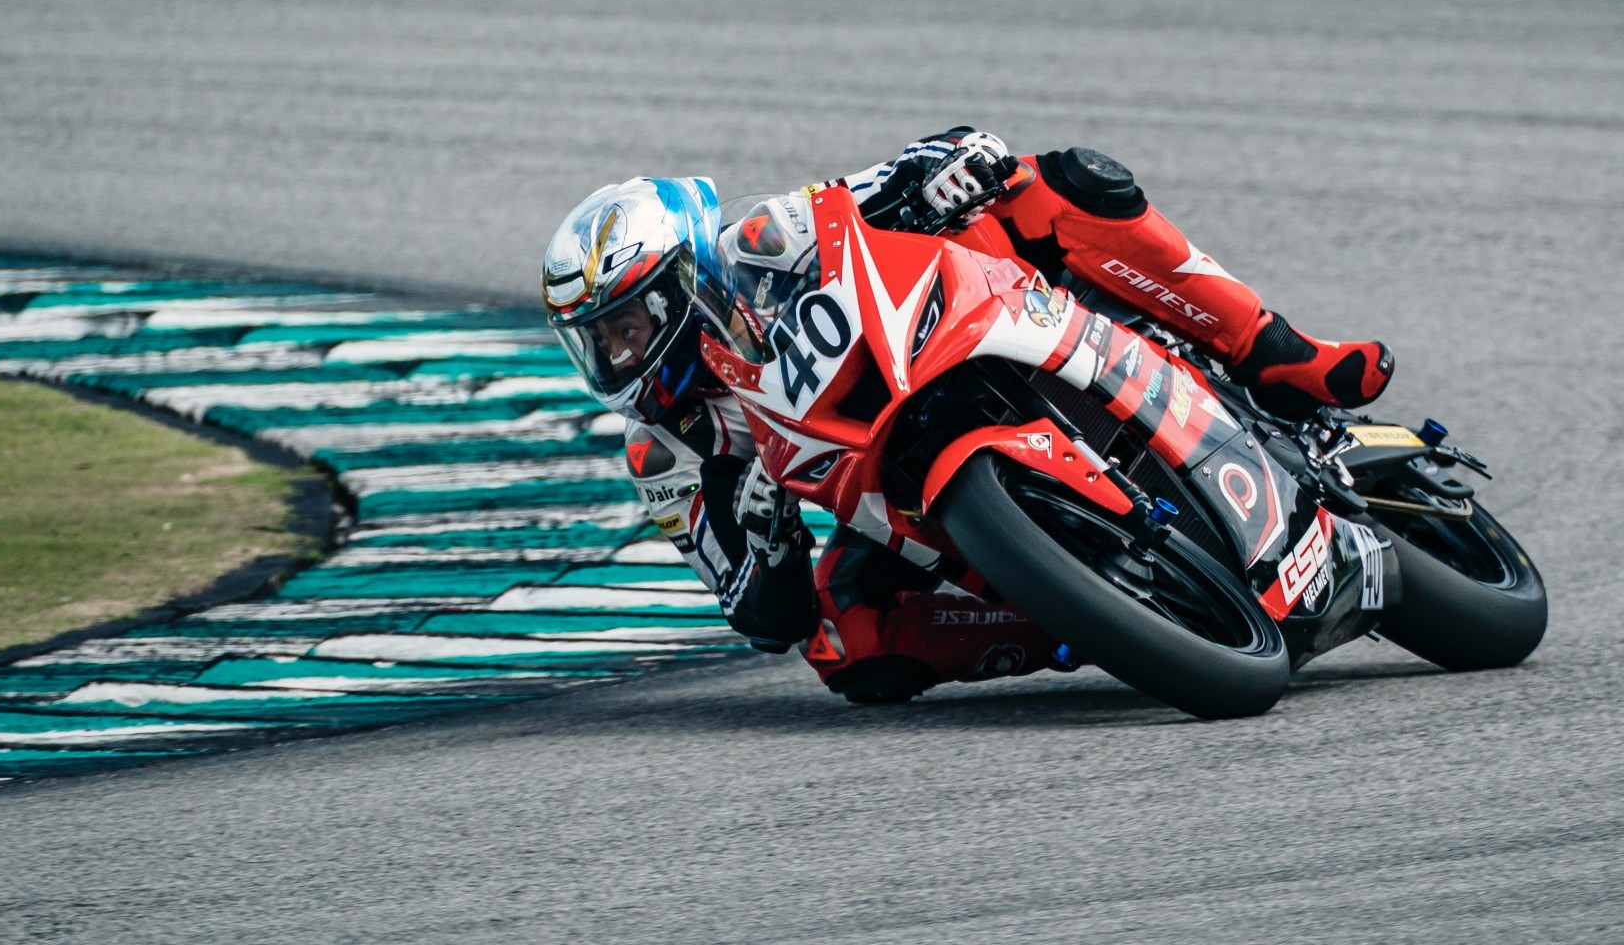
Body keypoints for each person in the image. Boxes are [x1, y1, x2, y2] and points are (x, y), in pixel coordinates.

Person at [540, 129, 1394, 703]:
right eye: (596, 343)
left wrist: (948, 165)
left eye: (627, 325)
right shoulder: (664, 453)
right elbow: (761, 613)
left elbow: (882, 185)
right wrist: (767, 538)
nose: (616, 356)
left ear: (684, 280)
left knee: (1056, 183)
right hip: (891, 494)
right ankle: (1095, 611)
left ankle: (1273, 350)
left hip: (959, 330)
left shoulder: (765, 238)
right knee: (846, 644)